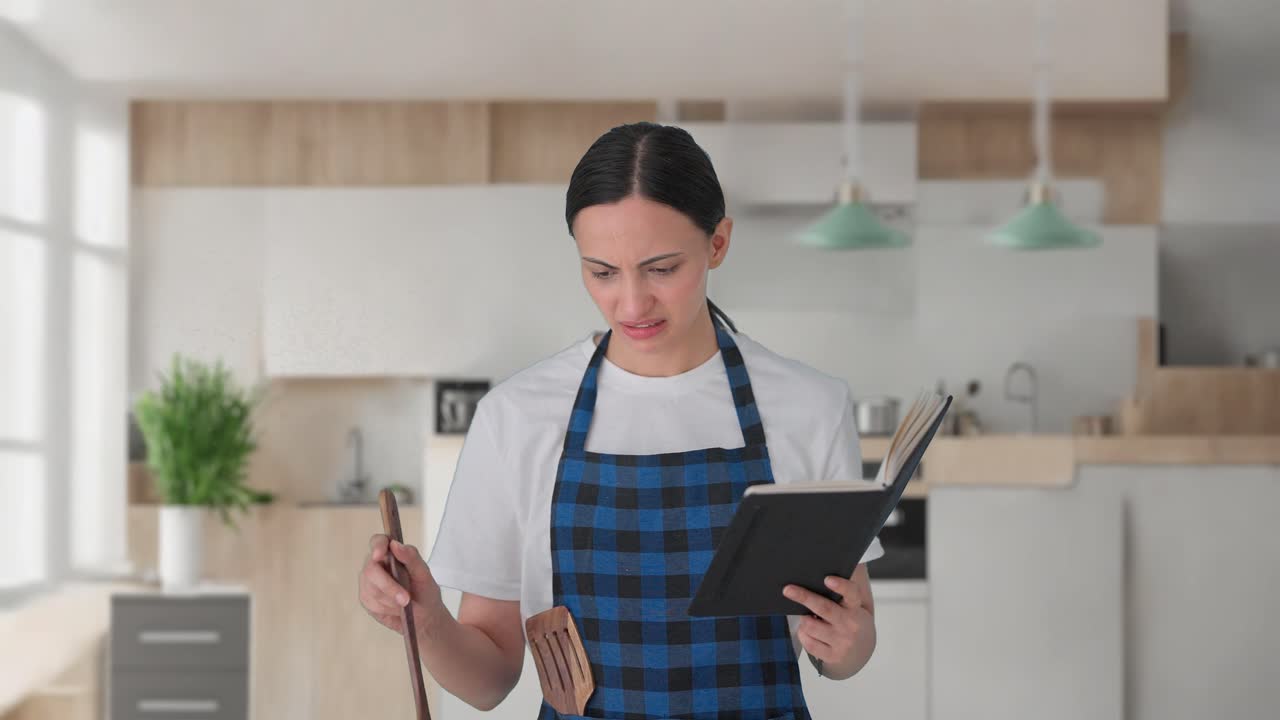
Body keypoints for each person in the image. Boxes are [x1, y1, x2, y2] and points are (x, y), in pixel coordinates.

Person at [359, 121, 884, 720]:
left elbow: (847, 642)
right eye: (603, 272)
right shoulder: (518, 416)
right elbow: (488, 681)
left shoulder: (809, 406)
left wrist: (849, 644)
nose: (631, 304)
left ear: (718, 243)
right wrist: (424, 621)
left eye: (661, 268)